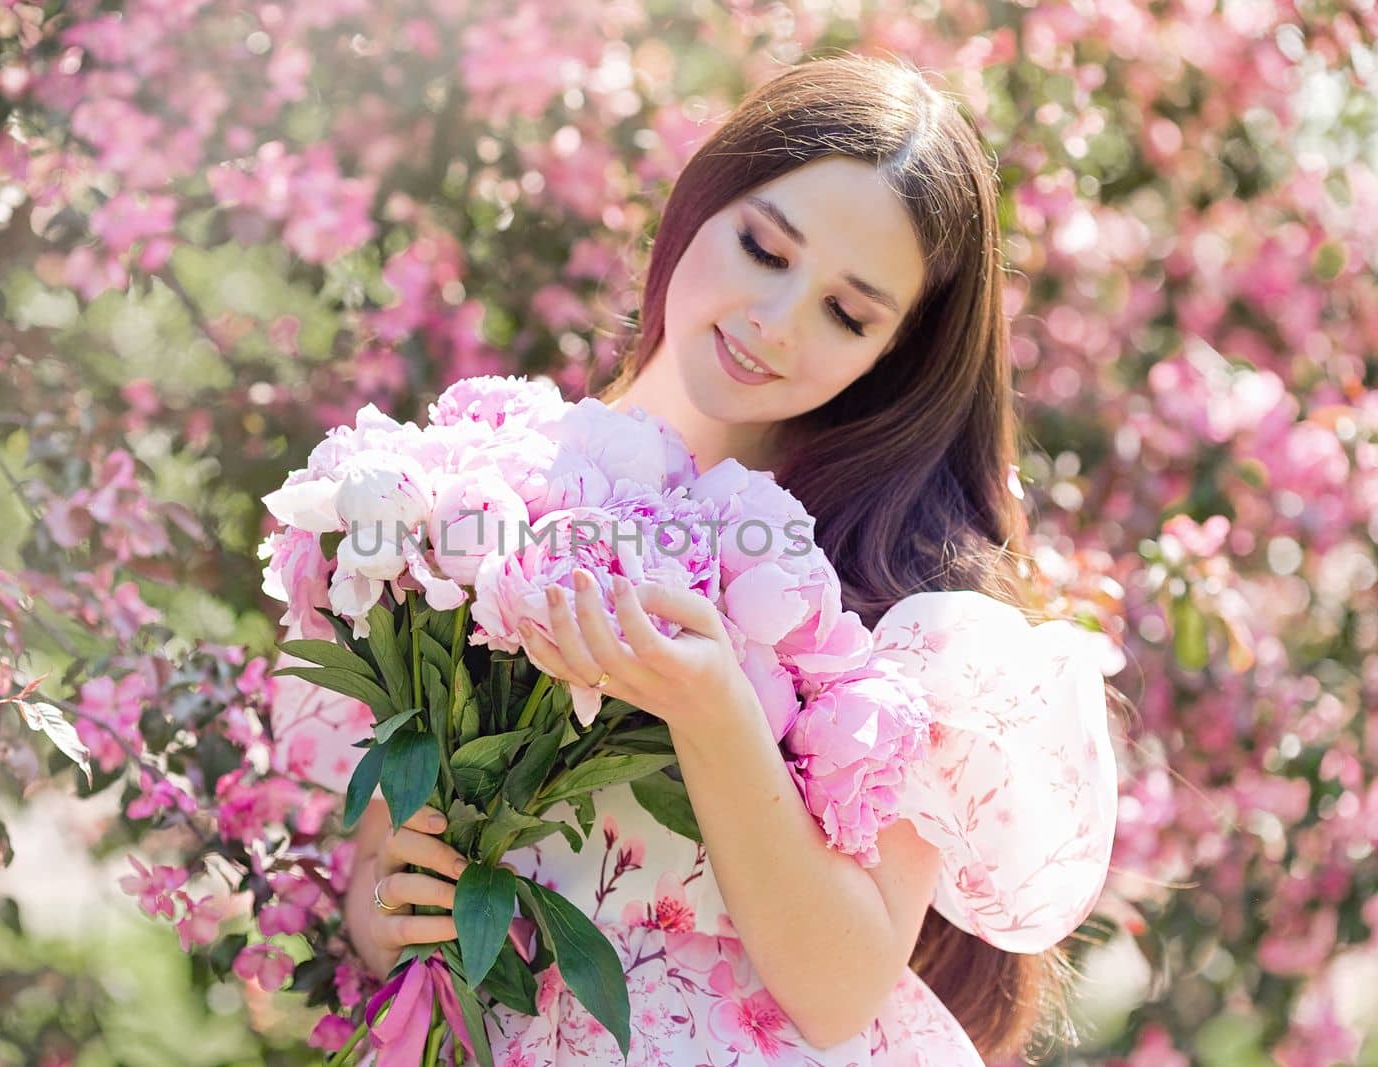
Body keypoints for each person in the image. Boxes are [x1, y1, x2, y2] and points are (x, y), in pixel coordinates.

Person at [274, 51, 1121, 1065]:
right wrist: (389, 910)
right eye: (764, 247)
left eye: (847, 313)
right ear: (698, 204)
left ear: (893, 353)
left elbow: (838, 990)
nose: (775, 320)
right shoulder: (472, 490)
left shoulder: (898, 611)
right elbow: (386, 868)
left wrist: (715, 707)